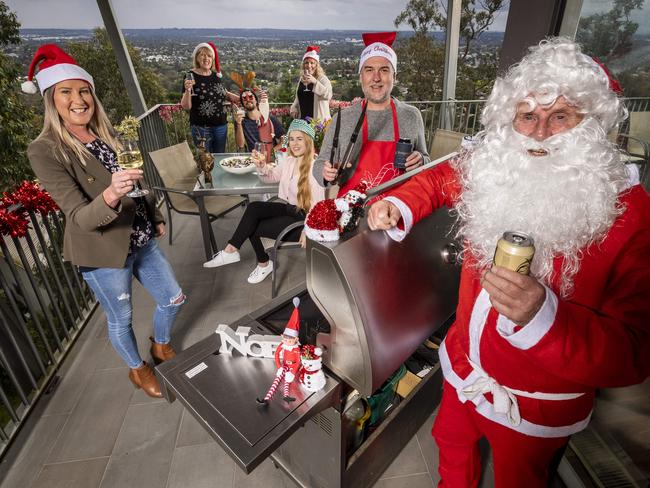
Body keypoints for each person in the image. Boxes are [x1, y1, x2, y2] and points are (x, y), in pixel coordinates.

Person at [367, 38, 650, 487]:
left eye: (560, 117)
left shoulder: (630, 213)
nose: (538, 133)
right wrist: (398, 204)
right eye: (527, 116)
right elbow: (442, 178)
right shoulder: (497, 164)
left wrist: (546, 320)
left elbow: (636, 350)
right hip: (464, 370)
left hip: (535, 405)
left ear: (592, 123)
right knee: (450, 447)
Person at [24, 44, 185, 399]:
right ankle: (139, 371)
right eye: (65, 91)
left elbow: (135, 180)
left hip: (140, 238)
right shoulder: (45, 149)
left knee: (173, 298)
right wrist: (111, 193)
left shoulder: (102, 133)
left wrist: (154, 215)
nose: (78, 99)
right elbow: (80, 217)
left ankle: (160, 346)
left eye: (84, 91)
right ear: (51, 98)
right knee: (121, 318)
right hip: (101, 252)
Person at [204, 119, 325, 283]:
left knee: (252, 227)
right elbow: (272, 177)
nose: (294, 143)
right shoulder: (289, 160)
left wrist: (308, 228)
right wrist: (261, 166)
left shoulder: (315, 167)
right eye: (291, 139)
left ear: (308, 141)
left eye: (299, 139)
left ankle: (263, 263)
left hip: (304, 220)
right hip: (289, 209)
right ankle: (231, 250)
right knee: (253, 208)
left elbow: (320, 205)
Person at [313, 32, 428, 197]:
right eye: (369, 70)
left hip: (397, 209)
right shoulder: (342, 118)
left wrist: (421, 161)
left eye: (384, 70)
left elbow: (426, 160)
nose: (376, 78)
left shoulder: (411, 116)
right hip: (350, 210)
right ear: (361, 77)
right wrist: (325, 173)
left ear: (394, 77)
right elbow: (319, 164)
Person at [181, 41, 239, 153]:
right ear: (197, 58)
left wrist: (242, 97)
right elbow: (186, 106)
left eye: (209, 56)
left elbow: (223, 93)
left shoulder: (216, 76)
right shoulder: (190, 76)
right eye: (202, 55)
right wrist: (188, 89)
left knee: (219, 157)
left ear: (212, 59)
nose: (206, 58)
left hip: (221, 126)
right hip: (201, 128)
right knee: (204, 160)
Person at [234, 87, 285, 157]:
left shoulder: (269, 118)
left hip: (271, 158)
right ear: (243, 104)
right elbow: (240, 145)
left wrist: (272, 152)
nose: (248, 100)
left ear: (256, 100)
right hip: (254, 158)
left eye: (251, 97)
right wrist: (239, 124)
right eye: (244, 99)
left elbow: (285, 139)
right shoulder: (241, 121)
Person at [290, 45, 333, 122]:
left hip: (318, 123)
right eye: (306, 63)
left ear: (316, 65)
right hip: (303, 122)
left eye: (312, 63)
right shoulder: (302, 79)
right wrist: (294, 107)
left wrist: (315, 82)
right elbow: (298, 97)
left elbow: (328, 95)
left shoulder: (323, 79)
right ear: (303, 65)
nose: (309, 66)